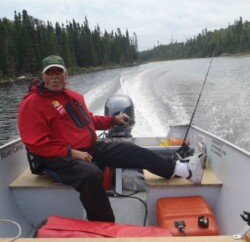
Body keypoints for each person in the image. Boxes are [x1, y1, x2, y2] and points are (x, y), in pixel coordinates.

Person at [18, 55, 205, 222]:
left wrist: (112, 120)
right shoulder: (32, 104)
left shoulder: (73, 97)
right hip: (58, 158)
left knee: (129, 150)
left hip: (87, 148)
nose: (54, 77)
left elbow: (88, 120)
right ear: (42, 76)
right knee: (90, 174)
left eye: (58, 72)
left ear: (66, 75)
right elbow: (36, 144)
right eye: (49, 73)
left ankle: (184, 170)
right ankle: (105, 227)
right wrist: (71, 152)